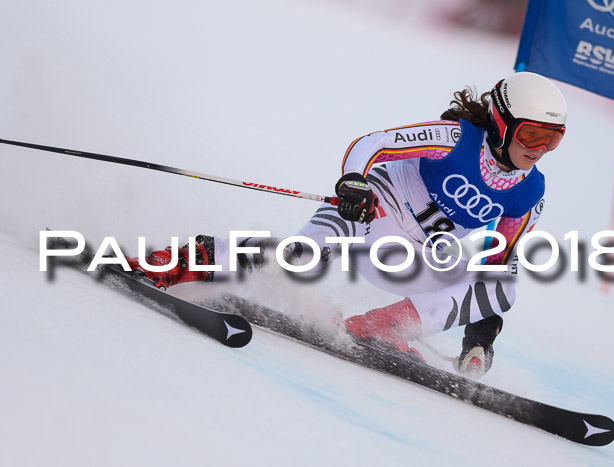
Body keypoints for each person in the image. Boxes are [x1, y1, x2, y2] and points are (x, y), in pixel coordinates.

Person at [127, 71, 567, 379]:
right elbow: (372, 144)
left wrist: (482, 332)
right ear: (501, 122)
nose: (540, 149)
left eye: (553, 139)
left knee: (505, 284)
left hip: (412, 259)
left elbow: (496, 261)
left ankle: (386, 327)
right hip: (371, 215)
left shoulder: (531, 192)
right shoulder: (456, 138)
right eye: (532, 135)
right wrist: (355, 183)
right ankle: (190, 261)